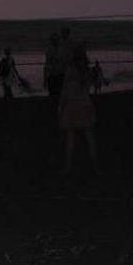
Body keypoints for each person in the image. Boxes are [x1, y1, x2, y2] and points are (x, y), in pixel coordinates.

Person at [58, 44, 99, 176]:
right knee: (89, 138)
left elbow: (65, 91)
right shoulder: (87, 71)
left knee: (71, 138)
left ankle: (68, 167)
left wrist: (60, 106)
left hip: (72, 105)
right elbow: (94, 85)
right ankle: (94, 167)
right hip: (85, 104)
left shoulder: (71, 70)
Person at [43, 33, 66, 106]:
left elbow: (64, 62)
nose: (55, 41)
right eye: (53, 40)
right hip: (52, 74)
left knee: (60, 92)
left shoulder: (61, 50)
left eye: (56, 40)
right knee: (52, 92)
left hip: (60, 73)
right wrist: (45, 78)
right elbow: (47, 63)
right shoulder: (49, 50)